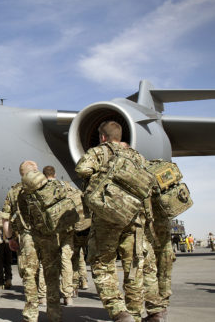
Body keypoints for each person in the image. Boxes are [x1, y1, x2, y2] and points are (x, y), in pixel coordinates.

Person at [76, 121, 151, 322]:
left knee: (101, 263)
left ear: (103, 137)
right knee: (133, 265)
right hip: (133, 217)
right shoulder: (136, 156)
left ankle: (118, 310)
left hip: (106, 217)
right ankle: (135, 314)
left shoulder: (99, 151)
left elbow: (82, 169)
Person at [2, 161, 48, 321]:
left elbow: (6, 220)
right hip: (48, 236)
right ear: (36, 171)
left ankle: (31, 314)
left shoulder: (14, 192)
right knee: (50, 271)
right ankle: (54, 311)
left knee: (29, 274)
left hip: (26, 238)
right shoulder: (48, 187)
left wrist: (9, 239)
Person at [42, 165, 75, 306]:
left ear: (44, 175)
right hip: (67, 228)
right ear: (55, 174)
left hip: (50, 230)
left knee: (46, 262)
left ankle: (43, 295)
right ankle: (68, 295)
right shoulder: (66, 186)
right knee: (66, 260)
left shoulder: (41, 188)